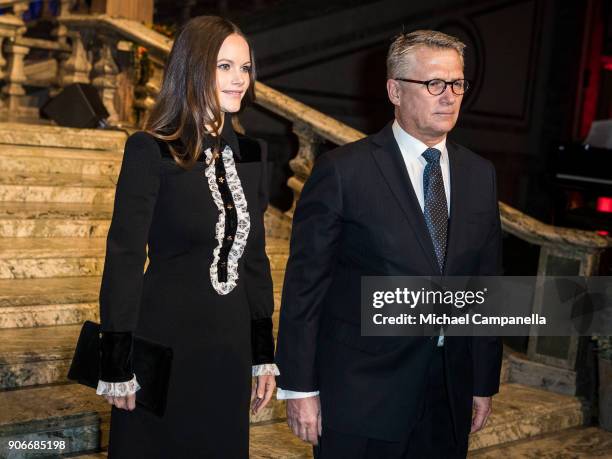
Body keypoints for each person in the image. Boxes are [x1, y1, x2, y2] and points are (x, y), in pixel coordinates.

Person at [275, 30, 503, 458]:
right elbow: (306, 288)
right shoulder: (343, 172)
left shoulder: (479, 174)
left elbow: (485, 287)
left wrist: (482, 382)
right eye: (434, 84)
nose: (449, 96)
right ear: (395, 90)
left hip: (446, 391)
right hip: (360, 393)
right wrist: (299, 385)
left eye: (457, 84)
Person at [95, 16, 278, 458]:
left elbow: (253, 258)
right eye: (224, 67)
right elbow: (123, 256)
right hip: (163, 344)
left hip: (228, 348)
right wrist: (117, 359)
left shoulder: (253, 154)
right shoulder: (150, 149)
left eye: (245, 68)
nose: (239, 79)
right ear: (194, 69)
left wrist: (262, 352)